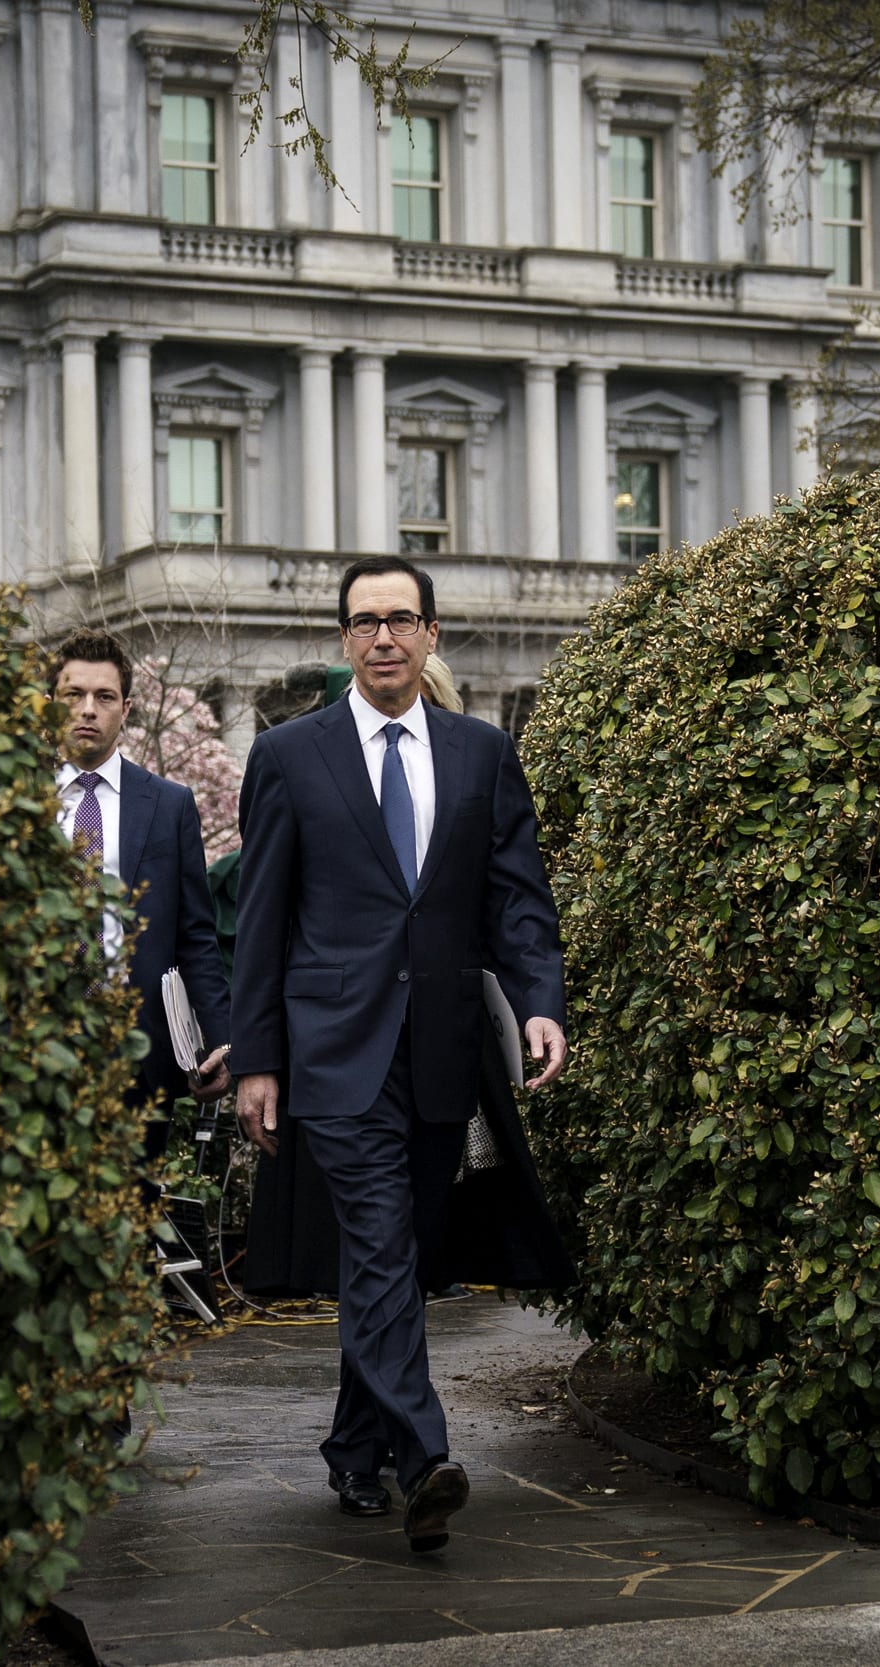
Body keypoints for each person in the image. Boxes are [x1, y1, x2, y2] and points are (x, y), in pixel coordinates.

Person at [229, 557, 569, 1556]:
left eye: (401, 619)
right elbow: (260, 921)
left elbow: (517, 896)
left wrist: (540, 1004)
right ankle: (424, 1459)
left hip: (441, 1051)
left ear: (431, 634)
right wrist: (258, 1058)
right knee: (379, 1246)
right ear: (344, 639)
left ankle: (353, 1445)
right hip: (335, 1053)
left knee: (400, 1258)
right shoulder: (289, 756)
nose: (383, 636)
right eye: (364, 621)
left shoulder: (481, 752)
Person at [51, 629, 233, 1135]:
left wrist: (221, 1039)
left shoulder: (169, 805)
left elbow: (196, 935)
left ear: (126, 708)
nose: (88, 710)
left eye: (104, 697)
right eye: (74, 694)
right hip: (34, 1049)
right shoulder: (11, 798)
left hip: (138, 1057)